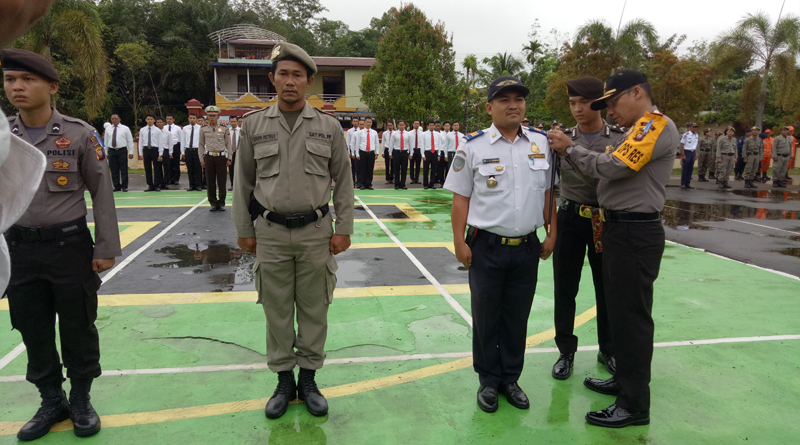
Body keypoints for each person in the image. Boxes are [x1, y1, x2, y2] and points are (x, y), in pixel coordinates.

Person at [2, 48, 121, 440]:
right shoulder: (4, 137)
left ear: (51, 87)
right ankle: (51, 400)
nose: (17, 87)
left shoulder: (79, 133)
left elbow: (102, 192)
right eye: (9, 80)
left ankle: (82, 398)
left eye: (27, 79)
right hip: (19, 249)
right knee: (32, 328)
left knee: (78, 325)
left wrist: (106, 246)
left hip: (69, 247)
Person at [549, 69, 679, 428]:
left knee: (632, 319)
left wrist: (571, 148)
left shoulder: (653, 125)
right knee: (620, 314)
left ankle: (634, 405)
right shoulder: (638, 129)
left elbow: (614, 167)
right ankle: (624, 383)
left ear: (636, 92)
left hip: (634, 232)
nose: (610, 110)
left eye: (613, 102)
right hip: (617, 229)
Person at [232, 42, 354, 420]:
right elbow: (243, 182)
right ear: (272, 79)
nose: (289, 81)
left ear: (308, 82)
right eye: (283, 74)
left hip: (316, 230)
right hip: (269, 231)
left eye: (297, 75)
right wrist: (243, 229)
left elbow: (344, 180)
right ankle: (284, 379)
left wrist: (344, 227)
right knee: (277, 308)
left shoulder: (328, 126)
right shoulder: (253, 125)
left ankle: (310, 378)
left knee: (315, 306)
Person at [445, 75, 557, 414]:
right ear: (489, 107)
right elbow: (460, 200)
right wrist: (458, 243)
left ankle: (510, 378)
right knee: (486, 315)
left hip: (527, 247)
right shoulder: (473, 146)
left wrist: (552, 232)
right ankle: (488, 380)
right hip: (486, 246)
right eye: (505, 99)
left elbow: (550, 193)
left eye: (519, 99)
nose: (514, 105)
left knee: (516, 316)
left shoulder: (541, 143)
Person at [551, 77, 626, 382]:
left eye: (583, 102)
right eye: (572, 103)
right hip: (569, 217)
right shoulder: (559, 139)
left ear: (599, 104)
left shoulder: (621, 137)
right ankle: (565, 351)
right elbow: (548, 183)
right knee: (565, 288)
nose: (577, 109)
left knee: (607, 289)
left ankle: (608, 350)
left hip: (604, 220)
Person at [199, 105, 231, 210]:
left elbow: (228, 144)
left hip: (221, 157)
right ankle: (213, 203)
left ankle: (221, 202)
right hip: (209, 157)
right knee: (210, 181)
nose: (212, 117)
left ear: (218, 117)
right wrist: (201, 159)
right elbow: (201, 145)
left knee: (222, 181)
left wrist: (229, 158)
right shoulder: (203, 130)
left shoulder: (224, 129)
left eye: (214, 115)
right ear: (207, 117)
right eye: (210, 115)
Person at [103, 113, 134, 192]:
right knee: (114, 169)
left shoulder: (125, 128)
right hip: (112, 150)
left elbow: (130, 140)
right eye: (112, 119)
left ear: (119, 119)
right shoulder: (108, 129)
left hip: (122, 150)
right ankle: (116, 186)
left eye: (116, 118)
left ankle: (124, 186)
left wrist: (131, 151)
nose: (114, 120)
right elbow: (106, 141)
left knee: (123, 169)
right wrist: (106, 152)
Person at [138, 114, 162, 192]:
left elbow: (160, 142)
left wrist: (160, 154)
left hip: (155, 149)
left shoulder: (158, 130)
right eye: (148, 119)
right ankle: (150, 185)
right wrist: (140, 153)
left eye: (151, 119)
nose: (149, 121)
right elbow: (140, 142)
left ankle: (156, 185)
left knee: (157, 168)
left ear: (154, 120)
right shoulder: (142, 130)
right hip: (146, 149)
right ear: (146, 120)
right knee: (147, 168)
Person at [354, 117, 378, 190]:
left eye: (370, 122)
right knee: (363, 169)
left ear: (371, 123)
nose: (368, 124)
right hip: (363, 152)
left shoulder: (374, 132)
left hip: (371, 153)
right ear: (364, 123)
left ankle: (369, 184)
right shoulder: (360, 133)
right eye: (367, 122)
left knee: (370, 169)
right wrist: (357, 154)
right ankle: (362, 184)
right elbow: (357, 143)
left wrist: (376, 153)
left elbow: (376, 143)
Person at [181, 113, 203, 191]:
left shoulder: (201, 128)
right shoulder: (185, 128)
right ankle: (191, 185)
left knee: (198, 168)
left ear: (196, 119)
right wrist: (183, 152)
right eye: (191, 118)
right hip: (188, 150)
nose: (192, 119)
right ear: (188, 119)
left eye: (194, 118)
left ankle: (198, 185)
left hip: (197, 150)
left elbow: (203, 141)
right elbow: (183, 140)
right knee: (190, 168)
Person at [390, 120, 411, 189]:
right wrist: (390, 153)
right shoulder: (394, 134)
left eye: (403, 125)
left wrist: (411, 153)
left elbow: (410, 144)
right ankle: (396, 184)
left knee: (404, 169)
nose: (401, 126)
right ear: (398, 126)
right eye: (400, 125)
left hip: (404, 152)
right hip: (396, 151)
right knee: (396, 169)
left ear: (405, 126)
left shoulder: (408, 134)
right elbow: (391, 144)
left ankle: (403, 184)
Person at [422, 120, 442, 189]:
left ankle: (432, 183)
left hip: (435, 153)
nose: (431, 127)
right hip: (427, 152)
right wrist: (423, 155)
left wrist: (439, 154)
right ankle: (425, 184)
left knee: (434, 169)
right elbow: (422, 144)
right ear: (428, 126)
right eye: (430, 125)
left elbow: (439, 145)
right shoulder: (423, 134)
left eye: (433, 125)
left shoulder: (438, 134)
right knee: (426, 169)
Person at [679, 123, 699, 189]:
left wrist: (695, 155)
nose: (695, 128)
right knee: (685, 168)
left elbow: (695, 145)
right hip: (687, 151)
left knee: (690, 168)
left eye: (696, 127)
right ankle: (683, 183)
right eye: (693, 127)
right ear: (690, 127)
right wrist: (683, 154)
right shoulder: (686, 134)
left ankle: (688, 183)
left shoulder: (696, 135)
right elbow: (682, 144)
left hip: (692, 152)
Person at [164, 115, 182, 186]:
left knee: (176, 164)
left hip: (175, 146)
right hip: (167, 147)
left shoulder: (177, 128)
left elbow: (180, 138)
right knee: (168, 164)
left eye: (170, 119)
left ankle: (176, 179)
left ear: (173, 120)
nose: (169, 120)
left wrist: (180, 149)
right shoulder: (164, 128)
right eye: (167, 119)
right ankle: (169, 178)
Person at [155, 117, 171, 190]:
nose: (159, 124)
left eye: (160, 122)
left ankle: (166, 183)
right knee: (158, 168)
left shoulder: (167, 132)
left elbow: (170, 143)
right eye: (158, 122)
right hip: (156, 150)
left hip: (165, 150)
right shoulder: (154, 131)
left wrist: (170, 153)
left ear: (163, 123)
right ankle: (159, 182)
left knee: (166, 168)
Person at [227, 115, 240, 191]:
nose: (233, 123)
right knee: (231, 170)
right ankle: (232, 185)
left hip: (239, 152)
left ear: (237, 122)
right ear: (229, 122)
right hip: (230, 153)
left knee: (239, 170)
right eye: (231, 121)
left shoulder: (241, 131)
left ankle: (239, 186)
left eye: (234, 121)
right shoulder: (227, 131)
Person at [409, 119, 423, 184]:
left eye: (418, 124)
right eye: (415, 123)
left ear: (419, 125)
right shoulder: (409, 133)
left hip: (419, 150)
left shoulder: (422, 133)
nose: (416, 125)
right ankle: (412, 178)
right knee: (411, 165)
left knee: (418, 165)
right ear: (413, 124)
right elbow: (409, 143)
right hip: (412, 150)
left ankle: (417, 178)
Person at [346, 118, 359, 187]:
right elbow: (348, 142)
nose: (355, 122)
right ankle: (353, 181)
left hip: (359, 150)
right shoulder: (349, 131)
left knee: (359, 167)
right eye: (354, 121)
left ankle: (358, 181)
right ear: (352, 122)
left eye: (356, 121)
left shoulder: (360, 130)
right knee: (353, 166)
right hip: (352, 150)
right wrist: (349, 152)